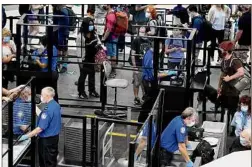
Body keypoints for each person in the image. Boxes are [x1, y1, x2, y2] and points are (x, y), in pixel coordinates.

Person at [19, 87, 61, 167]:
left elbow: (40, 128)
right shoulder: (55, 105)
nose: (41, 96)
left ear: (47, 96)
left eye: (42, 94)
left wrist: (26, 136)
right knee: (51, 160)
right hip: (54, 137)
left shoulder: (47, 110)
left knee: (45, 162)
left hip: (46, 140)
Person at [218, 41, 244, 128]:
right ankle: (224, 125)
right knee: (224, 108)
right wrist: (219, 87)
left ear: (226, 50)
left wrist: (230, 78)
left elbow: (241, 72)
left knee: (232, 111)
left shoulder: (235, 61)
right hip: (225, 89)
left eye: (221, 49)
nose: (220, 51)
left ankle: (233, 128)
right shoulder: (224, 61)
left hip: (233, 91)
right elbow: (222, 74)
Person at [76, 17, 100, 99]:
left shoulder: (94, 33)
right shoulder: (80, 37)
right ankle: (81, 91)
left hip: (93, 57)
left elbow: (98, 41)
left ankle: (92, 90)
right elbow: (79, 49)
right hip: (84, 58)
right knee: (83, 76)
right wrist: (80, 61)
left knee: (92, 74)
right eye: (89, 25)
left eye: (92, 24)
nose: (91, 26)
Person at [32, 35, 59, 102]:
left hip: (49, 75)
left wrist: (37, 60)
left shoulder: (51, 49)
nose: (39, 44)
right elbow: (33, 54)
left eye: (41, 42)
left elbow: (43, 65)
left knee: (50, 93)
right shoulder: (43, 49)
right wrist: (37, 56)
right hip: (43, 74)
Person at [130, 26, 152, 105]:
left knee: (145, 84)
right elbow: (133, 54)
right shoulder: (136, 40)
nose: (141, 33)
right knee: (136, 83)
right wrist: (134, 67)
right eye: (140, 32)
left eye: (142, 32)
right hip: (138, 65)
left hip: (146, 66)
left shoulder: (150, 41)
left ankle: (144, 97)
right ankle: (136, 98)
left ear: (146, 33)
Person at [102, 4, 118, 78]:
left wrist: (104, 38)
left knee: (112, 55)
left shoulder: (110, 15)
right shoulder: (111, 13)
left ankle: (113, 71)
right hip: (113, 37)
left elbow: (108, 29)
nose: (103, 5)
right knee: (111, 54)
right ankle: (112, 70)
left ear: (109, 5)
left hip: (111, 38)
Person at [52, 5, 69, 73]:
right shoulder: (56, 10)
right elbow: (55, 23)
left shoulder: (64, 12)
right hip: (58, 32)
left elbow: (65, 25)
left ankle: (64, 65)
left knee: (64, 49)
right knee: (58, 48)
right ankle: (58, 63)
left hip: (63, 32)